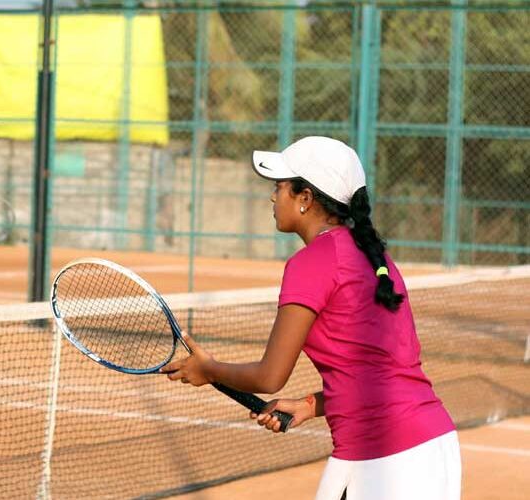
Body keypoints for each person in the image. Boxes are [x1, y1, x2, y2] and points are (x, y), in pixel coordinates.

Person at [161, 136, 460, 500]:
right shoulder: (376, 258)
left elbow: (270, 376)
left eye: (280, 187)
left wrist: (208, 371)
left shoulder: (311, 263)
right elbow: (381, 370)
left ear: (305, 199)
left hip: (382, 459)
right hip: (434, 445)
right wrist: (309, 406)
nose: (273, 197)